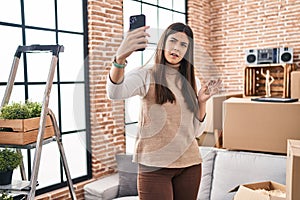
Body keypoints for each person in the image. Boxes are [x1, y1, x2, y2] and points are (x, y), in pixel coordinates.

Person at [106, 22, 220, 200]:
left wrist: (202, 102)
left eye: (183, 45)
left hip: (190, 165)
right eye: (173, 41)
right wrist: (119, 60)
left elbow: (197, 132)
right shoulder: (146, 75)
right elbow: (115, 92)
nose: (177, 48)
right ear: (163, 43)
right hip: (154, 167)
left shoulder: (192, 81)